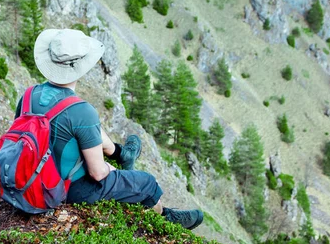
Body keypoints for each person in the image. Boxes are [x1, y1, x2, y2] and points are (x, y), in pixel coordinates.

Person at [13, 28, 203, 229]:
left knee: (82, 126)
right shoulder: (82, 111)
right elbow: (97, 174)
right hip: (69, 188)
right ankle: (165, 219)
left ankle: (121, 153)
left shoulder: (29, 95)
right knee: (147, 182)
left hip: (31, 174)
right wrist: (109, 169)